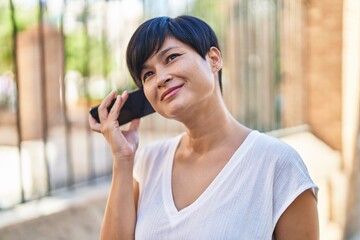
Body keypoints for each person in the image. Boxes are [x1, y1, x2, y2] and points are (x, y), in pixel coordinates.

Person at [89, 15, 319, 240]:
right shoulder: (148, 162)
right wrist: (122, 158)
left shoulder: (278, 164)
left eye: (171, 58)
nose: (160, 78)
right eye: (148, 74)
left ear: (214, 59)